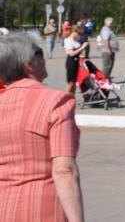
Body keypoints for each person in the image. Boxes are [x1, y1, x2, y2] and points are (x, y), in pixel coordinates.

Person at [0, 32, 83, 222]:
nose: (43, 56)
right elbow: (64, 171)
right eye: (39, 52)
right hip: (43, 209)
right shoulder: (57, 101)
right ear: (27, 64)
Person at [63, 23, 88, 95]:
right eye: (78, 33)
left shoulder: (76, 40)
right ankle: (65, 99)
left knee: (74, 83)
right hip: (71, 62)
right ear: (74, 32)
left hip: (77, 61)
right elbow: (71, 53)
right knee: (70, 83)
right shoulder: (68, 40)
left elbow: (78, 52)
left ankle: (72, 98)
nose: (79, 35)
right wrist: (82, 47)